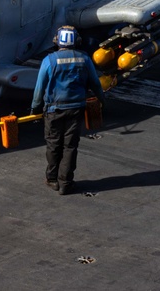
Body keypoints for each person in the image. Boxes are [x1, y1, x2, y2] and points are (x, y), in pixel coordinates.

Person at [31, 26, 106, 195]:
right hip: (76, 109)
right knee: (70, 146)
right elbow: (95, 83)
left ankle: (52, 179)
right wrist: (102, 100)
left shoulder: (49, 60)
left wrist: (34, 109)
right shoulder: (84, 59)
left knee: (53, 145)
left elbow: (39, 88)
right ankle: (66, 183)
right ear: (76, 41)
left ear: (57, 41)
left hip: (54, 110)